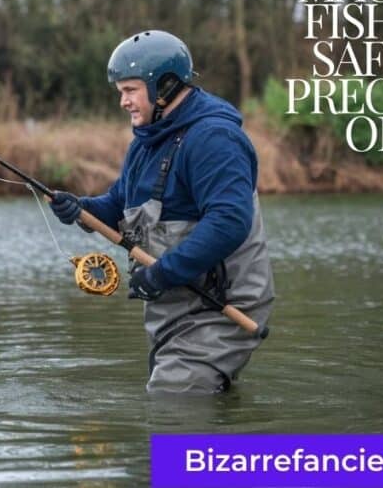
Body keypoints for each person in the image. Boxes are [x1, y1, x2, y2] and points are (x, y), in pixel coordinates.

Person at [49, 30, 274, 394]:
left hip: (223, 307)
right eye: (120, 91)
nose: (123, 101)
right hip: (175, 307)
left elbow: (229, 222)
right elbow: (118, 205)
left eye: (130, 90)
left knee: (171, 401)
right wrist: (80, 209)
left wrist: (160, 274)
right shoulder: (147, 140)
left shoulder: (215, 139)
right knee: (181, 405)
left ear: (165, 86)